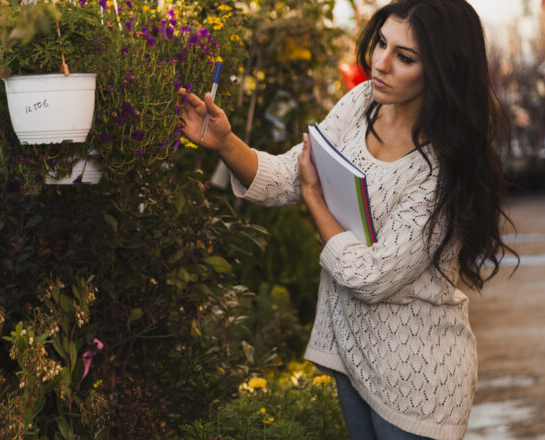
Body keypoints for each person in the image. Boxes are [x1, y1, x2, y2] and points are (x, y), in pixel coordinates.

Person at [178, 0, 518, 439]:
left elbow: (371, 278)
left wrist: (316, 202)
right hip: (351, 357)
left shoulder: (441, 170)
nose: (380, 63)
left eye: (404, 57)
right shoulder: (362, 104)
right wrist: (225, 142)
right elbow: (290, 176)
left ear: (443, 70)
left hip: (418, 387)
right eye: (381, 43)